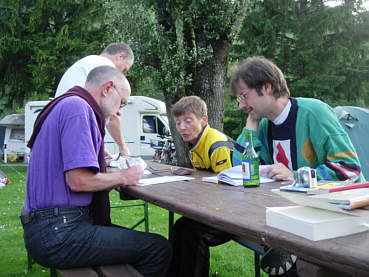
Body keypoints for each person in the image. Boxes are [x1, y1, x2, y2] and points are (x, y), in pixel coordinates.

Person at [21, 66, 171, 276]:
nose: (120, 111)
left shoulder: (68, 104)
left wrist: (105, 170)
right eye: (123, 103)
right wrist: (123, 176)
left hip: (48, 228)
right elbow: (78, 181)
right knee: (157, 249)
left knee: (147, 246)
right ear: (108, 88)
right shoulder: (77, 108)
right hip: (59, 232)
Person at [230, 56, 365, 276]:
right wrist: (251, 124)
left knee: (301, 267)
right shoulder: (263, 125)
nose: (241, 105)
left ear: (267, 87)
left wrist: (295, 176)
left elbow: (349, 169)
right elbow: (241, 169)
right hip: (295, 216)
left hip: (343, 216)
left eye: (244, 96)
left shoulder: (315, 112)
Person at [166, 96, 234, 277]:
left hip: (236, 212)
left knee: (192, 234)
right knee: (179, 228)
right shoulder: (194, 143)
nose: (181, 127)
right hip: (215, 207)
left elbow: (228, 188)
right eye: (178, 122)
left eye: (188, 121)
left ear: (204, 120)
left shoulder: (216, 144)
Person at [55, 42, 134, 156]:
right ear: (120, 57)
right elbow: (111, 113)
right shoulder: (105, 67)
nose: (122, 74)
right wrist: (123, 148)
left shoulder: (86, 63)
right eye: (124, 69)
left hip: (62, 130)